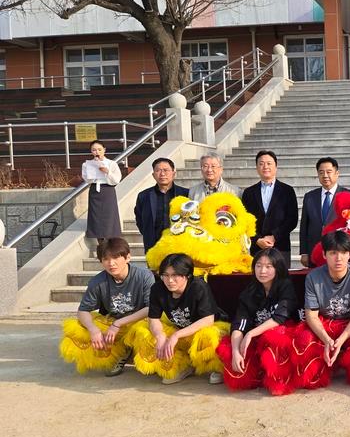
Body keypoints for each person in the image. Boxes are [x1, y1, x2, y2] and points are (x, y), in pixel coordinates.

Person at [292, 230, 350, 389]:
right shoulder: (313, 277)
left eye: (343, 253)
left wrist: (341, 340)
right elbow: (311, 316)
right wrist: (327, 339)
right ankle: (329, 365)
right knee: (304, 343)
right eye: (333, 253)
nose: (338, 258)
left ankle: (343, 361)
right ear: (324, 255)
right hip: (325, 323)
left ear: (349, 254)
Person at [129, 253, 230, 384]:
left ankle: (216, 367)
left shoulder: (198, 287)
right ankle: (183, 365)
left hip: (207, 327)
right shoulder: (157, 289)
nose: (170, 280)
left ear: (187, 275)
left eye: (175, 275)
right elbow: (153, 318)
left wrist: (176, 335)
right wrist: (160, 336)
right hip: (179, 328)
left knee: (207, 334)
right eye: (165, 275)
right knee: (143, 330)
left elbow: (208, 320)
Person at [59, 237, 154, 376]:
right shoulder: (97, 282)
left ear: (128, 257)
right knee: (76, 329)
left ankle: (133, 349)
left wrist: (118, 323)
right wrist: (93, 330)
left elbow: (151, 308)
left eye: (116, 257)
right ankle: (119, 351)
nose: (111, 263)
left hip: (139, 323)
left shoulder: (144, 276)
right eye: (106, 259)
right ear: (101, 261)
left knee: (150, 330)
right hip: (112, 324)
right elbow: (83, 311)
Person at [216, 248, 300, 395]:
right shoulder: (249, 293)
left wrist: (250, 334)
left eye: (268, 266)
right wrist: (235, 351)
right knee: (238, 373)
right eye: (259, 266)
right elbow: (239, 324)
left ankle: (278, 378)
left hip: (282, 338)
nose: (262, 271)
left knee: (275, 337)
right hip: (257, 339)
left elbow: (279, 318)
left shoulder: (285, 287)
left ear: (278, 268)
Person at [242, 150, 299, 262]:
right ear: (257, 167)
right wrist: (257, 239)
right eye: (261, 163)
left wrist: (274, 236)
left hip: (280, 246)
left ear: (276, 166)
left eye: (269, 163)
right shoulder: (249, 192)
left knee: (281, 273)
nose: (265, 167)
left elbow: (292, 219)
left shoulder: (287, 191)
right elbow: (244, 220)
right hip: (257, 247)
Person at [300, 157, 350, 267]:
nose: (325, 175)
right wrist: (304, 252)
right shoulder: (310, 196)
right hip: (314, 250)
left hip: (338, 250)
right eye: (321, 172)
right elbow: (304, 226)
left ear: (337, 173)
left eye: (329, 172)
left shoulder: (348, 195)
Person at [134, 157, 189, 253]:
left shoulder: (185, 194)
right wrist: (148, 235)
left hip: (179, 245)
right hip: (154, 246)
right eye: (158, 170)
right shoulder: (144, 196)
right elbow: (140, 220)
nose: (162, 174)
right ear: (153, 175)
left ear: (173, 173)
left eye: (166, 170)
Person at [82, 140, 122, 241]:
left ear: (104, 150)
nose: (97, 152)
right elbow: (87, 179)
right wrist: (93, 171)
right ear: (91, 151)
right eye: (94, 150)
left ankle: (111, 240)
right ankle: (100, 241)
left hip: (108, 190)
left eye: (99, 149)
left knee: (110, 214)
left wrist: (107, 172)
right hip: (95, 190)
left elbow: (117, 179)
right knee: (95, 215)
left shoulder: (111, 163)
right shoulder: (87, 164)